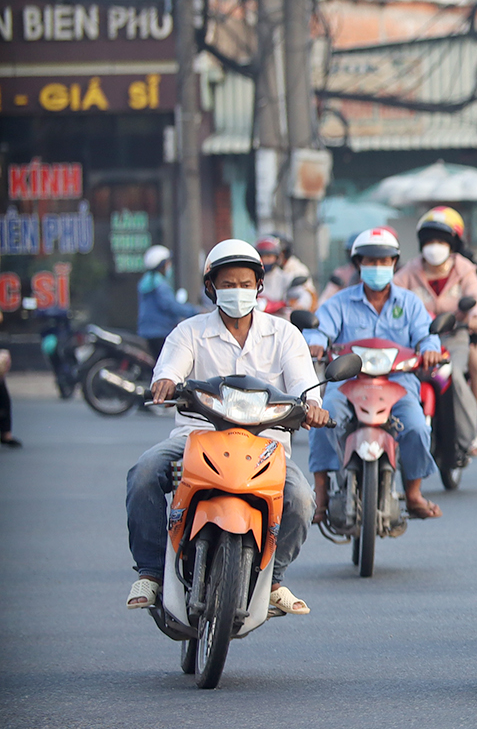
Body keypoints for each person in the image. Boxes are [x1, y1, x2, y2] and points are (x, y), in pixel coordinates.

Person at [125, 240, 329, 618]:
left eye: (246, 283)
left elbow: (304, 384)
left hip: (265, 447)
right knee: (143, 473)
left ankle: (275, 581)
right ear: (211, 288)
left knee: (301, 498)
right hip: (195, 439)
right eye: (229, 284)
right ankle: (151, 572)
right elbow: (169, 368)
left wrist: (312, 406)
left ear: (259, 287)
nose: (238, 291)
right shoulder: (188, 332)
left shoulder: (284, 334)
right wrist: (166, 383)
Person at [305, 228, 447, 523]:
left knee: (417, 427)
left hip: (397, 382)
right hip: (348, 382)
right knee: (323, 416)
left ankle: (413, 492)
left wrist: (430, 349)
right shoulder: (340, 303)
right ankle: (320, 493)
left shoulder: (409, 303)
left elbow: (426, 336)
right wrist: (316, 341)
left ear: (395, 263)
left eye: (384, 262)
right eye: (371, 261)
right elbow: (318, 328)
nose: (378, 267)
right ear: (358, 264)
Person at [394, 206, 477, 452]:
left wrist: (476, 318)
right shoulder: (409, 271)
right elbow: (392, 296)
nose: (434, 246)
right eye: (430, 241)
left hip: (455, 337)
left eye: (440, 241)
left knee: (452, 374)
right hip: (417, 340)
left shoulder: (465, 269)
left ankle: (472, 431)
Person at [136, 244, 200, 354]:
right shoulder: (160, 285)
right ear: (162, 266)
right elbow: (171, 306)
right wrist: (195, 311)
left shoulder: (145, 282)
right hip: (161, 332)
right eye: (167, 263)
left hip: (145, 331)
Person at [255, 233, 316, 311]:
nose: (265, 260)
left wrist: (299, 305)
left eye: (269, 256)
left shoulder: (284, 277)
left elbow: (305, 295)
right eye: (262, 257)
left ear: (277, 258)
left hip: (279, 318)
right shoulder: (253, 278)